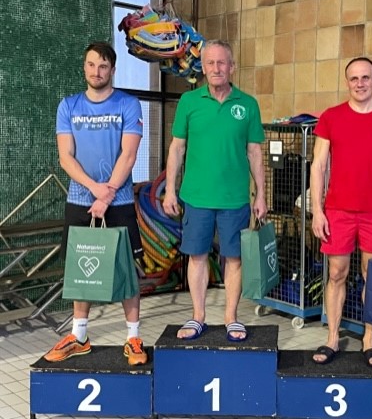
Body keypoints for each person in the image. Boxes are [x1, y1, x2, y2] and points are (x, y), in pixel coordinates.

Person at [45, 42, 147, 366]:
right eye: (91, 65)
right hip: (80, 200)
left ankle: (133, 337)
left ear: (112, 70)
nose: (96, 71)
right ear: (84, 67)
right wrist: (94, 190)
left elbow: (129, 155)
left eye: (103, 66)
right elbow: (65, 157)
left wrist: (108, 193)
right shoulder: (69, 106)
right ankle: (79, 336)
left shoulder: (129, 104)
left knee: (127, 269)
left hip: (119, 201)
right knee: (81, 267)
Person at [163, 39, 266, 341]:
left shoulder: (248, 104)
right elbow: (177, 148)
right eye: (211, 63)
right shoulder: (189, 102)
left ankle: (231, 318)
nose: (216, 68)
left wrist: (261, 194)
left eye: (222, 62)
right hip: (196, 197)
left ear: (232, 67)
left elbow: (255, 152)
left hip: (235, 199)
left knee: (234, 259)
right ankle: (198, 317)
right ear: (203, 67)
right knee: (197, 256)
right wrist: (170, 189)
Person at [310, 57, 372, 367]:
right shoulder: (331, 117)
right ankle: (332, 337)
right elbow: (318, 166)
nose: (360, 83)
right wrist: (316, 210)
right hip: (338, 211)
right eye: (354, 78)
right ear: (347, 82)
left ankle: (369, 339)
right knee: (336, 273)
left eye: (366, 77)